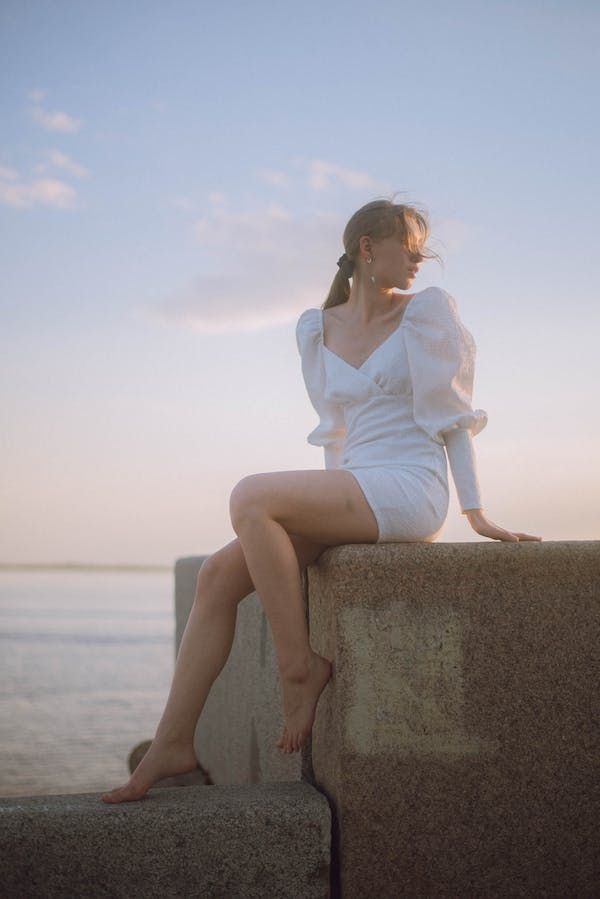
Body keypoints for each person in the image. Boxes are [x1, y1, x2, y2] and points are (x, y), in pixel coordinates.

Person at [101, 197, 542, 804]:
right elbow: (334, 438)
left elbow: (453, 420)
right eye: (409, 248)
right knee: (218, 574)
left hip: (409, 487)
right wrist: (314, 517)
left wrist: (476, 512)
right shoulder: (317, 327)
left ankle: (298, 668)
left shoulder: (427, 314)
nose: (420, 261)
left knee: (249, 496)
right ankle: (171, 742)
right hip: (355, 487)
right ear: (368, 247)